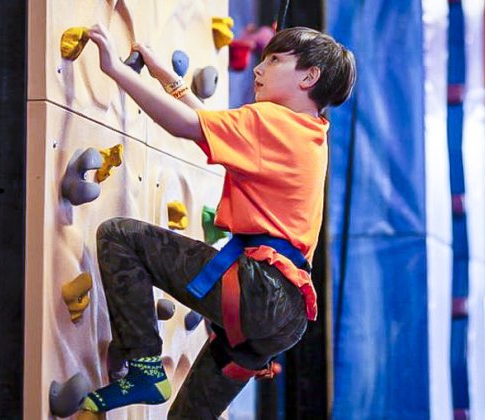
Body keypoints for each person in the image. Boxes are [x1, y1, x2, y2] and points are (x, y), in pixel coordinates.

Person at [82, 23, 356, 418]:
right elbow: (210, 124)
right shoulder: (310, 132)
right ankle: (144, 370)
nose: (259, 70)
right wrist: (168, 79)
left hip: (258, 289)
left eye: (276, 60)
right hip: (286, 316)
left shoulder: (271, 121)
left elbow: (186, 126)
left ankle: (144, 365)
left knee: (119, 237)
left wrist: (114, 69)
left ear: (309, 77)